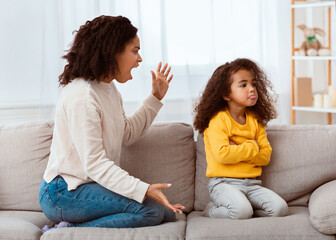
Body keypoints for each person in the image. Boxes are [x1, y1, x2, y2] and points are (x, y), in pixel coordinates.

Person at [39, 15, 184, 230]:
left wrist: (155, 98)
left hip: (86, 188)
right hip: (62, 193)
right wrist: (143, 189)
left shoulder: (107, 89)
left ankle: (71, 223)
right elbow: (95, 163)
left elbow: (126, 133)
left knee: (168, 215)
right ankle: (65, 230)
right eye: (135, 51)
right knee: (152, 211)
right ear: (113, 51)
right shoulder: (82, 96)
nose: (140, 59)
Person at [193, 58, 288, 219]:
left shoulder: (256, 121)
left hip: (252, 183)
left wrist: (237, 148)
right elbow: (222, 155)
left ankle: (246, 209)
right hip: (223, 184)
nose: (251, 89)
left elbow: (265, 157)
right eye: (243, 85)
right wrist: (252, 146)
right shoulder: (218, 120)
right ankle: (211, 210)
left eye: (253, 84)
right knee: (242, 211)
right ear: (226, 94)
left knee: (280, 209)